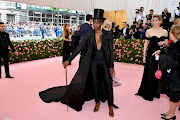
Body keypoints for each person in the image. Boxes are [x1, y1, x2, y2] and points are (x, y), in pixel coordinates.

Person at [39, 9, 115, 117]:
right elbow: (79, 48)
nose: (95, 24)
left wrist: (111, 66)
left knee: (108, 83)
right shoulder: (89, 35)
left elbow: (111, 51)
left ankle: (110, 106)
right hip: (93, 62)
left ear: (102, 23)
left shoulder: (108, 34)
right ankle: (97, 102)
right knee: (95, 83)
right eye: (94, 22)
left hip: (104, 62)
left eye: (98, 22)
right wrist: (69, 59)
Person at [135, 15, 169, 101]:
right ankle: (148, 93)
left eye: (156, 20)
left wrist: (163, 44)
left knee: (159, 73)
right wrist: (143, 56)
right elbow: (146, 44)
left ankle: (156, 92)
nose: (154, 22)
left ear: (160, 21)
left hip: (161, 54)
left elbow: (167, 44)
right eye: (153, 20)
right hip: (151, 54)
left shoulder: (164, 31)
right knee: (150, 72)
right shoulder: (148, 31)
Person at [153, 25, 180, 120]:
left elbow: (173, 61)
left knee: (174, 96)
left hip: (176, 75)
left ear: (173, 34)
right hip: (173, 75)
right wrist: (161, 53)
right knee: (172, 95)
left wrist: (161, 58)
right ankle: (170, 112)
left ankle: (172, 114)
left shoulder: (178, 47)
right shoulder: (175, 45)